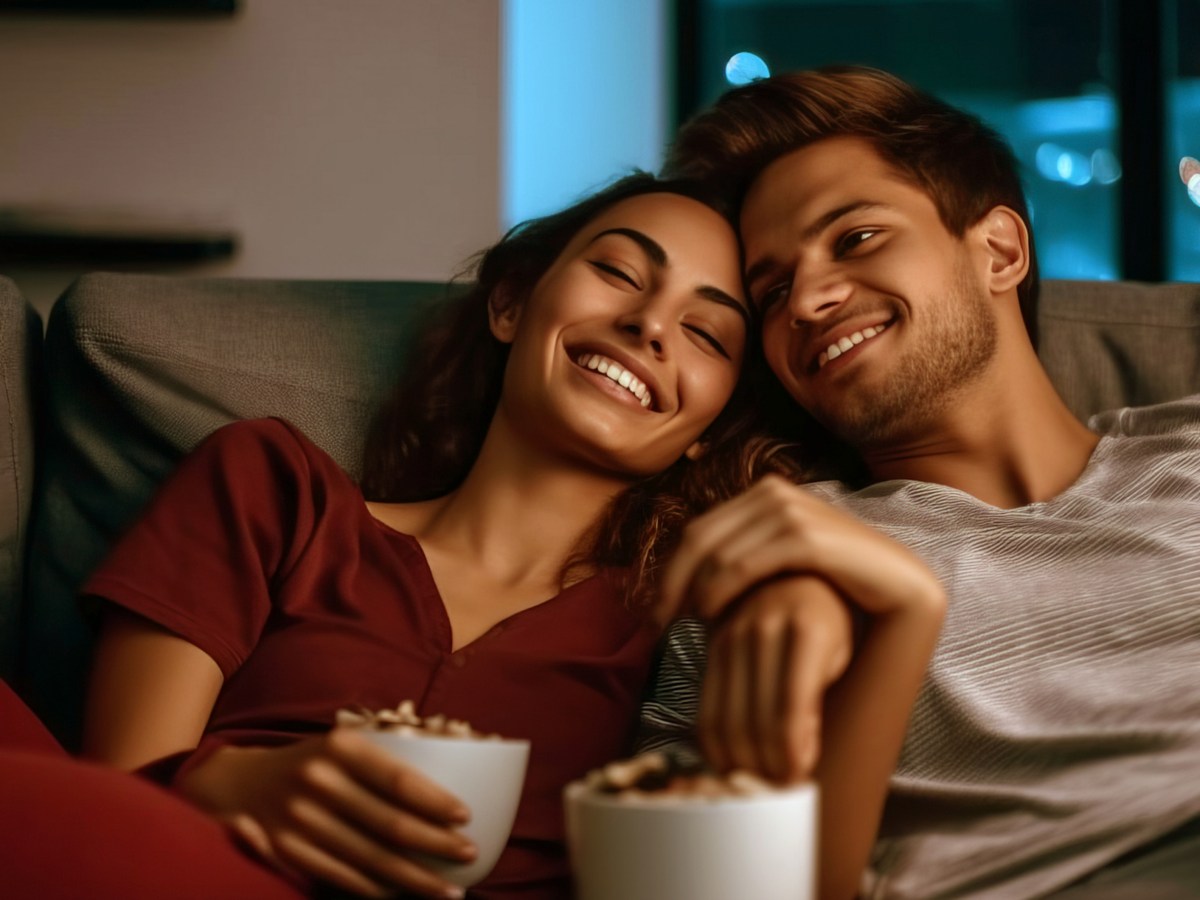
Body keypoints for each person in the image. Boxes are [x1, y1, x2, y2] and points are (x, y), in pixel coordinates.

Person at [0, 172, 785, 900]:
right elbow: (114, 793)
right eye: (618, 271)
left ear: (707, 433)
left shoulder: (678, 627)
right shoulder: (274, 485)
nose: (650, 324)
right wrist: (225, 784)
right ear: (511, 302)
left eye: (708, 333)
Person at [648, 65, 1200, 898]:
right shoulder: (774, 566)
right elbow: (697, 883)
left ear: (1001, 251)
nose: (808, 300)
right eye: (771, 291)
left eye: (856, 238)